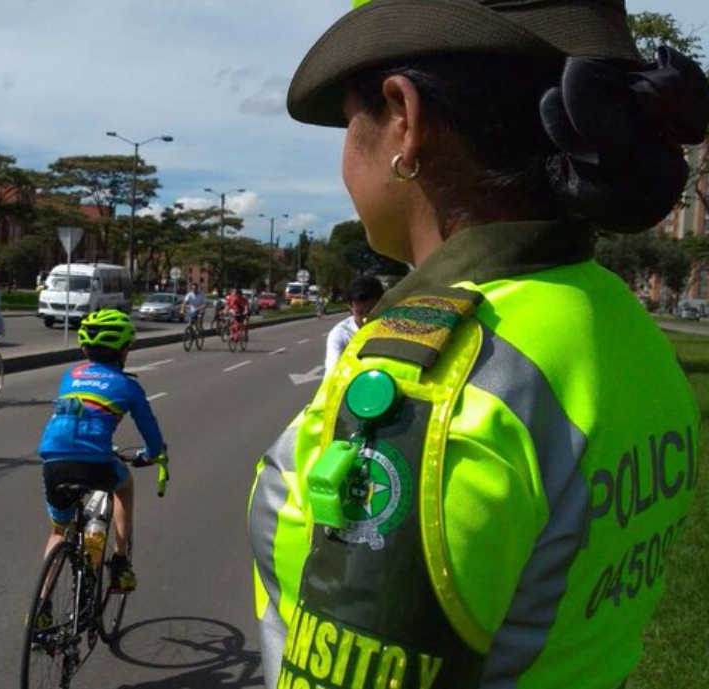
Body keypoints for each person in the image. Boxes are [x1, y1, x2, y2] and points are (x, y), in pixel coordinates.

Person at [248, 2, 708, 689]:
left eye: (350, 122)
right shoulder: (617, 318)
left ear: (402, 116)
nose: (346, 150)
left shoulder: (434, 401)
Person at [37, 309, 167, 594]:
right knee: (125, 486)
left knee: (60, 530)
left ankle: (42, 605)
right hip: (96, 460)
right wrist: (152, 454)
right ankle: (120, 565)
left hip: (53, 457)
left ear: (84, 348)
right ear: (123, 350)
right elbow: (151, 435)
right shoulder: (128, 385)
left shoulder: (70, 375)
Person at [323, 274, 384, 378]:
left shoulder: (392, 327)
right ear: (350, 307)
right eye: (360, 313)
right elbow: (332, 370)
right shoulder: (340, 334)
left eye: (371, 312)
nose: (366, 318)